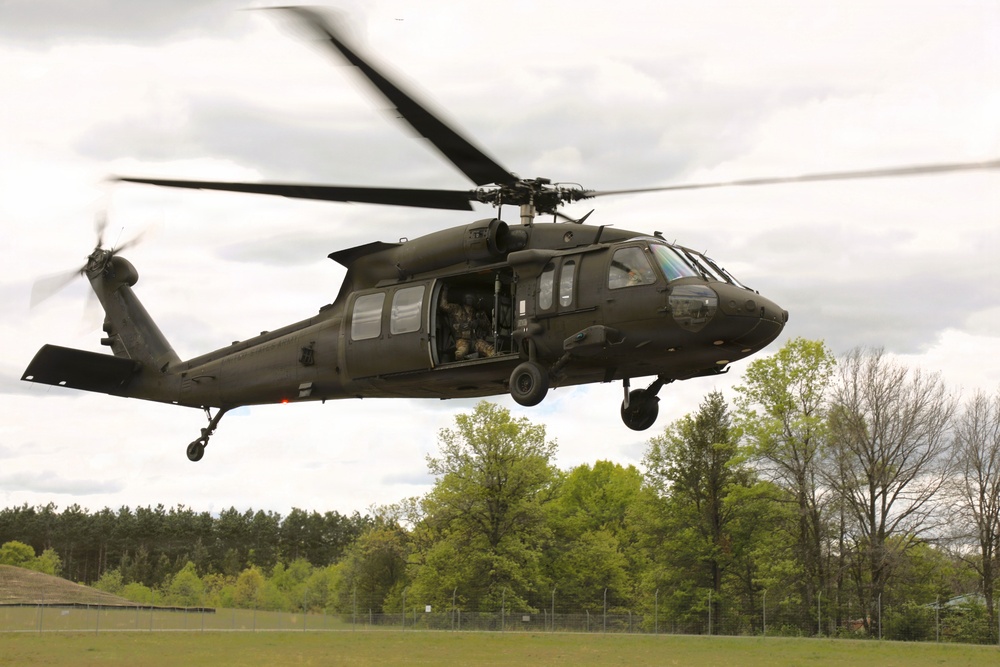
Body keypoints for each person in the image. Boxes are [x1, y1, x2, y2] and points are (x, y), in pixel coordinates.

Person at [439, 289, 495, 360]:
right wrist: (445, 290)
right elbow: (443, 306)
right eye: (468, 298)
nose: (470, 300)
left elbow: (488, 326)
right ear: (464, 299)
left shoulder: (478, 313)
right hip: (462, 340)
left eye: (471, 298)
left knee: (490, 351)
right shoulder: (457, 309)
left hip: (476, 340)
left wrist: (478, 322)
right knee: (461, 353)